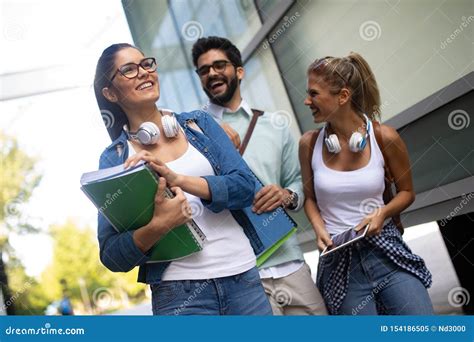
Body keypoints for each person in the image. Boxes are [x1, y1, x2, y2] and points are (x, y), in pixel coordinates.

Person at [93, 43, 272, 315]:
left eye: (146, 64)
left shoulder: (200, 124)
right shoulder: (114, 159)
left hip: (242, 279)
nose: (143, 73)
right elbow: (112, 255)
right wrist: (160, 225)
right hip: (178, 296)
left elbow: (245, 187)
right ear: (110, 93)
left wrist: (178, 179)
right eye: (128, 70)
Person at [191, 36, 327, 315]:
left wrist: (287, 195)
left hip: (290, 261)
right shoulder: (192, 134)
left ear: (239, 71)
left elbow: (300, 183)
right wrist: (204, 127)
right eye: (204, 70)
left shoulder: (274, 125)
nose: (212, 73)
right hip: (241, 275)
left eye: (219, 65)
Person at [299, 53, 434, 315]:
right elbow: (310, 198)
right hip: (339, 261)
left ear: (343, 96)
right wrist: (318, 229)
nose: (307, 101)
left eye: (314, 94)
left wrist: (382, 213)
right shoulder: (308, 144)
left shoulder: (385, 137)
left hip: (386, 251)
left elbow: (407, 192)